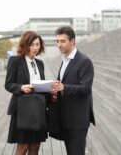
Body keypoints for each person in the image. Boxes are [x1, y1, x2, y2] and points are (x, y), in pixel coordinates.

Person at [50, 26, 95, 155]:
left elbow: (86, 88)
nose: (59, 45)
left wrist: (64, 87)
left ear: (73, 41)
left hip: (78, 120)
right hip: (66, 118)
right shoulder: (64, 60)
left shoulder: (84, 61)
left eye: (62, 41)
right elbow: (63, 85)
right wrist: (55, 92)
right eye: (57, 41)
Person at [5, 30, 47, 155]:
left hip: (38, 110)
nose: (35, 48)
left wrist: (50, 89)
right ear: (25, 45)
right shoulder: (15, 61)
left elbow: (41, 86)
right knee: (22, 147)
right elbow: (8, 84)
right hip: (22, 110)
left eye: (37, 44)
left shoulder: (39, 63)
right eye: (32, 44)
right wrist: (21, 87)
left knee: (35, 146)